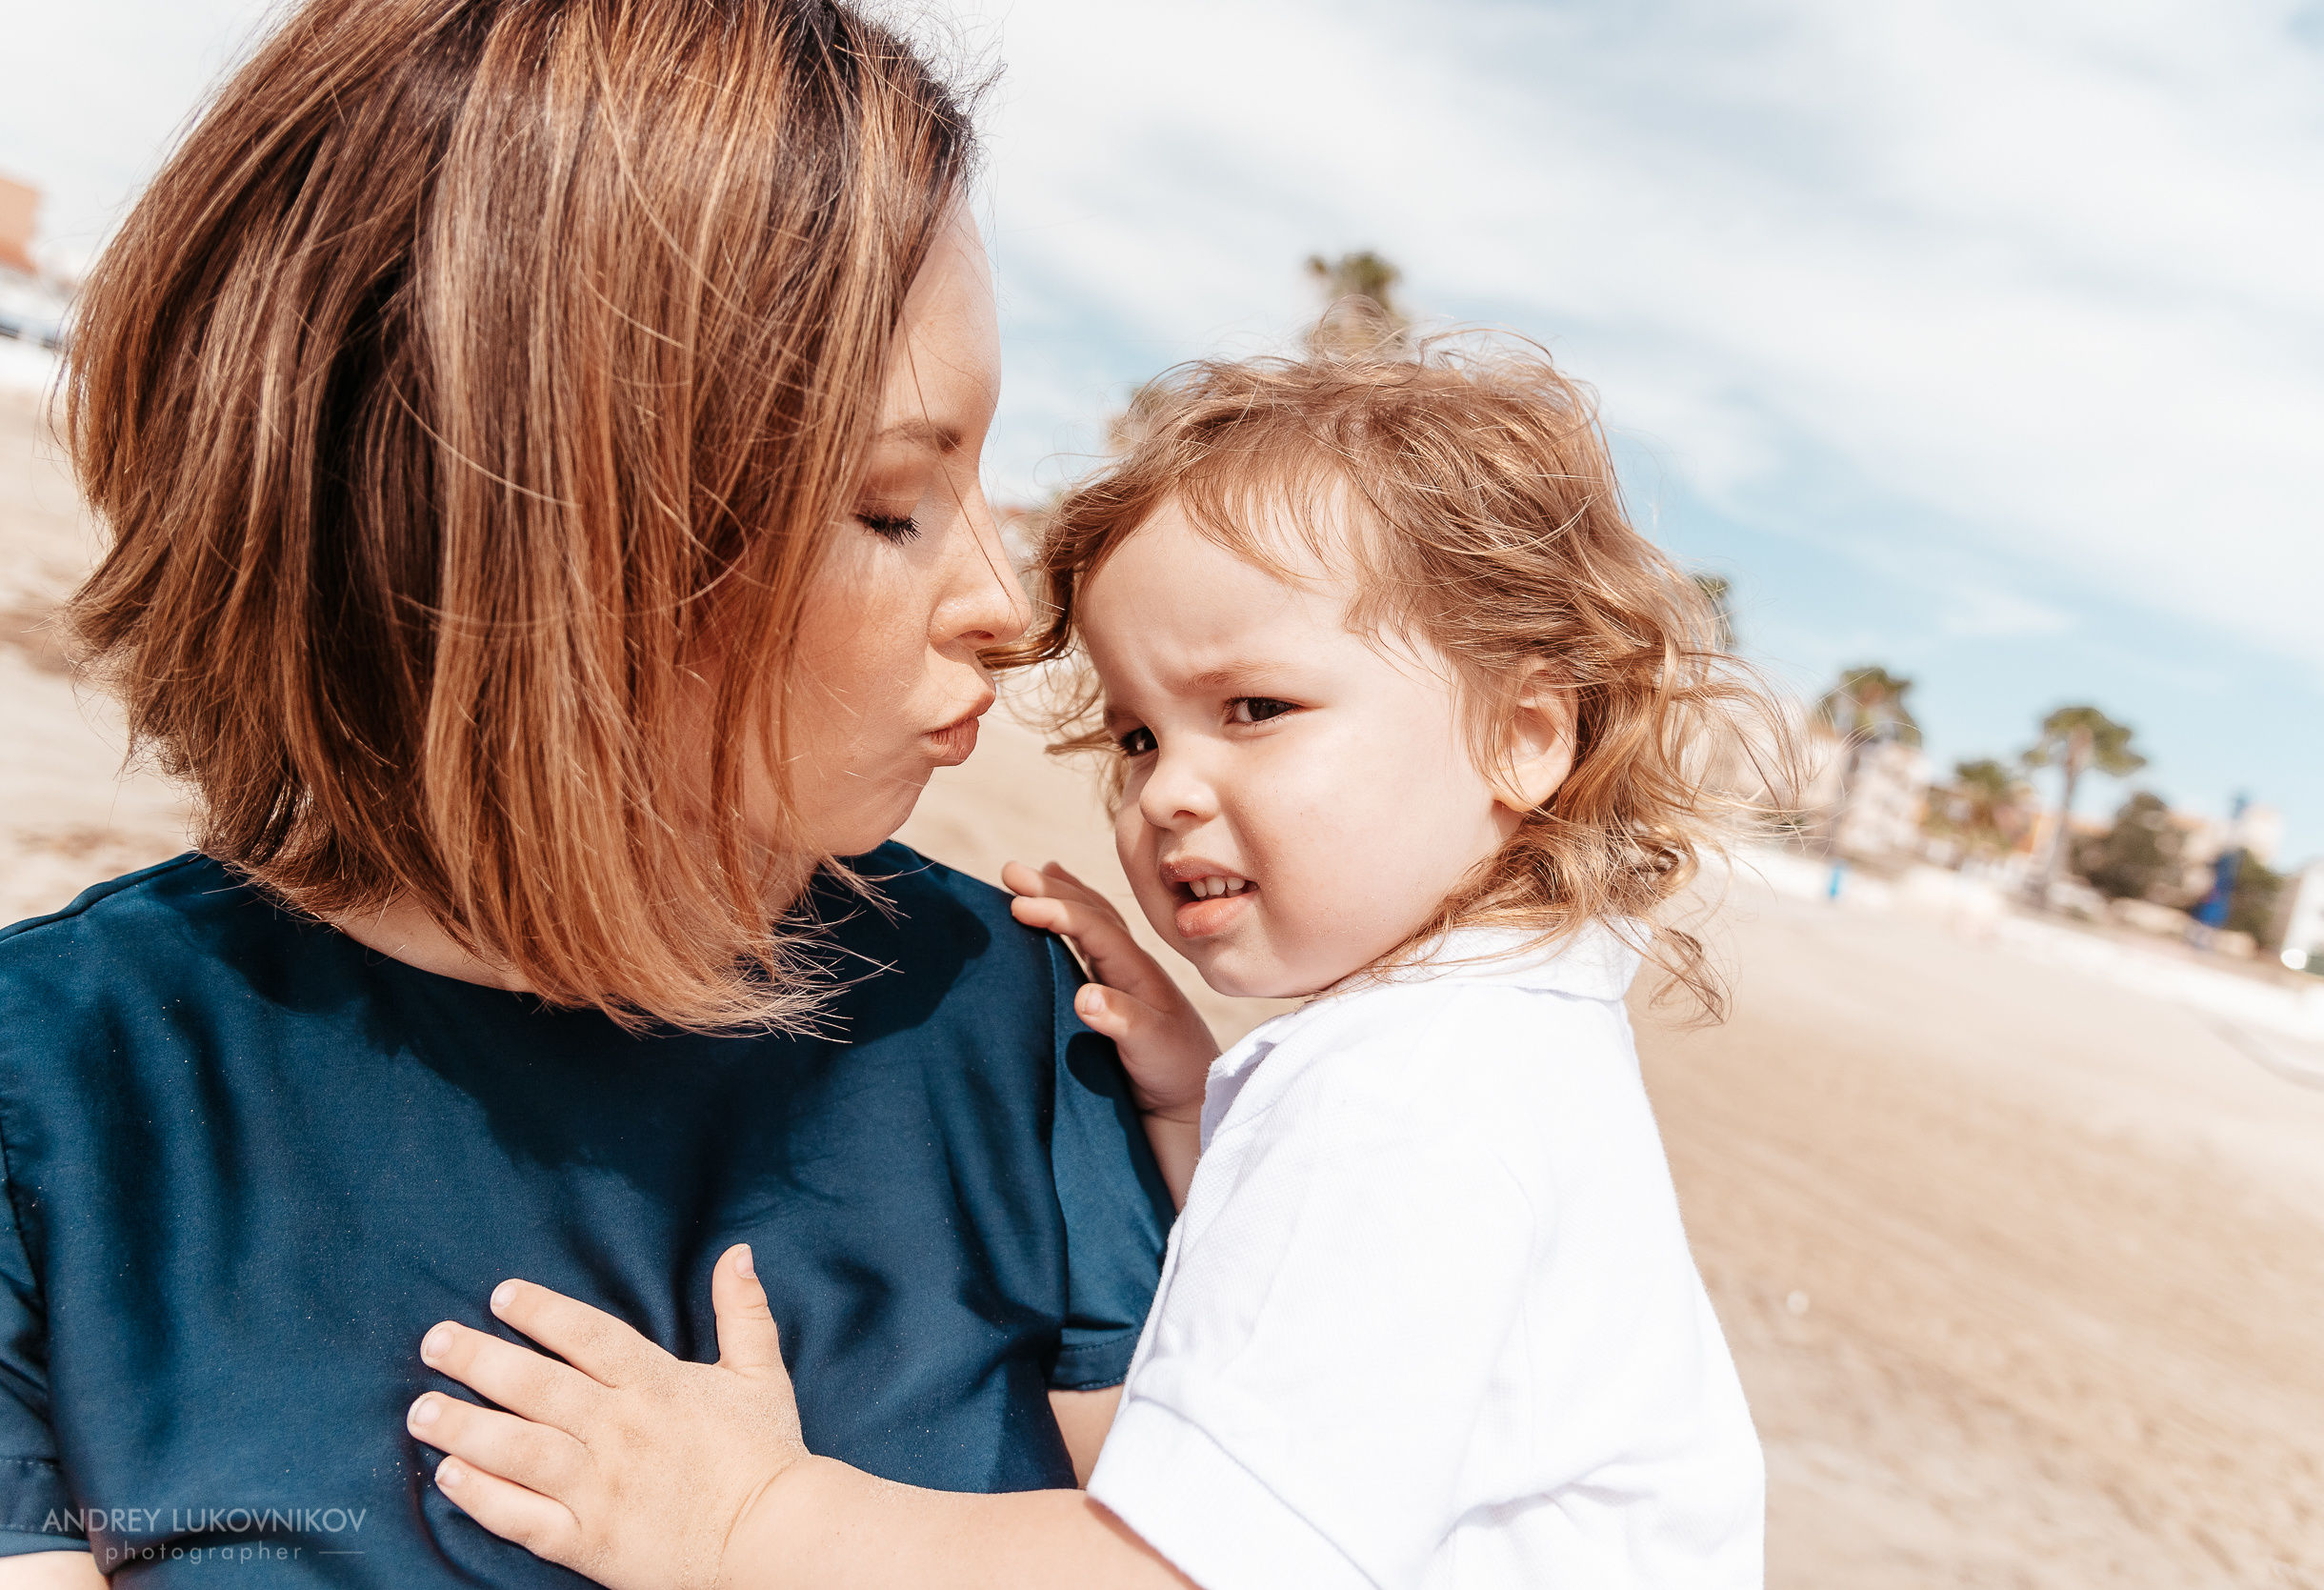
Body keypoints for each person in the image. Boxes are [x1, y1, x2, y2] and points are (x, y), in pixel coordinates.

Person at [0, 2, 1199, 1583]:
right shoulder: (61, 1099)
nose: (1007, 598)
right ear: (539, 536)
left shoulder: (1036, 1023)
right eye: (892, 503)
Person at [403, 343, 1783, 1587]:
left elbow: (1181, 1570)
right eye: (1135, 736)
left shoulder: (1405, 1104)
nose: (1171, 790)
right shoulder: (1505, 1034)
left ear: (1523, 739)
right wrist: (1203, 1106)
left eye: (1256, 708)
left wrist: (749, 1520)